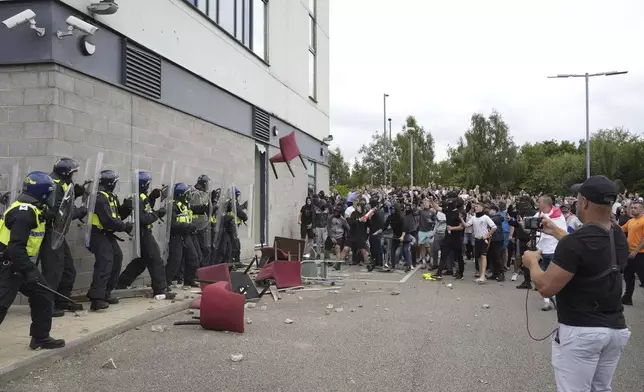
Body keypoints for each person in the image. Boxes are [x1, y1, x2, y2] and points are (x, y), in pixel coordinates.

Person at [522, 176, 630, 392]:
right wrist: (557, 231)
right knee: (601, 388)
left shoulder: (576, 242)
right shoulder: (617, 235)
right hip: (615, 329)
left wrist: (532, 263)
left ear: (585, 202)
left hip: (582, 330)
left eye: (577, 197)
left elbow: (546, 287)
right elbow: (589, 248)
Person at [0, 171, 65, 349]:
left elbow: (43, 217)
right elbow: (15, 247)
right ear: (43, 194)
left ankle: (40, 337)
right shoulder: (24, 213)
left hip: (19, 261)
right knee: (1, 303)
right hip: (9, 263)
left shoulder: (33, 208)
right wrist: (29, 271)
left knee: (43, 295)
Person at [40, 158, 87, 317]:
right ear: (66, 173)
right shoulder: (55, 186)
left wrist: (74, 194)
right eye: (72, 174)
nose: (73, 177)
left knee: (68, 270)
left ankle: (62, 300)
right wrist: (78, 212)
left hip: (58, 234)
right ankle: (47, 306)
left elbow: (63, 203)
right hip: (50, 233)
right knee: (53, 271)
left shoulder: (60, 183)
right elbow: (58, 214)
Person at [116, 172, 175, 299]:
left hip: (143, 232)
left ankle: (121, 283)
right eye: (147, 184)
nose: (148, 186)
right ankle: (160, 289)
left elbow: (145, 209)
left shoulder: (141, 196)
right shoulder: (137, 198)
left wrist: (152, 198)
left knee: (142, 261)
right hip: (142, 232)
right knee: (155, 259)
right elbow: (143, 218)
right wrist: (158, 214)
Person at [87, 170, 133, 311]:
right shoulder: (100, 198)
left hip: (107, 234)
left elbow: (117, 215)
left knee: (117, 258)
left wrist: (126, 207)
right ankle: (96, 298)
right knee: (105, 263)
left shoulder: (110, 196)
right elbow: (108, 220)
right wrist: (125, 227)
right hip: (98, 234)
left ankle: (105, 293)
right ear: (110, 183)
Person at [534, 195, 567, 311]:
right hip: (542, 250)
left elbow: (563, 233)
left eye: (539, 202)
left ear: (545, 204)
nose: (538, 204)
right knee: (543, 277)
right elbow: (532, 226)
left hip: (554, 249)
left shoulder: (558, 216)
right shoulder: (538, 215)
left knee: (555, 278)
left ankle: (558, 298)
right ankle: (547, 301)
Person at [165, 183, 200, 288]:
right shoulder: (173, 206)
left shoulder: (184, 205)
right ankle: (166, 282)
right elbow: (173, 224)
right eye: (186, 194)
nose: (188, 196)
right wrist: (189, 226)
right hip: (176, 236)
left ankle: (189, 280)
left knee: (193, 258)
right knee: (175, 261)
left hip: (186, 235)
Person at [620, 200, 644, 305]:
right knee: (628, 276)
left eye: (635, 208)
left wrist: (636, 250)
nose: (633, 209)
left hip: (640, 253)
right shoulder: (631, 221)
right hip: (629, 253)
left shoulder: (643, 221)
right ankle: (627, 298)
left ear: (642, 209)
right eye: (632, 207)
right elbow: (621, 229)